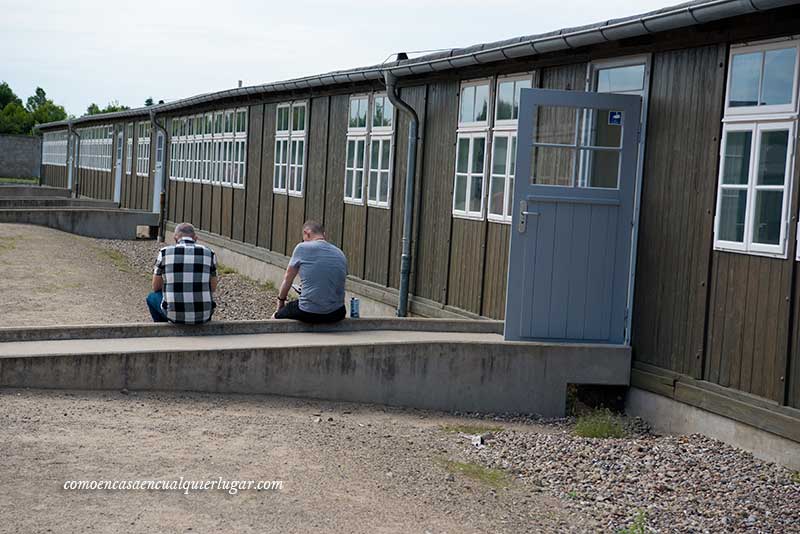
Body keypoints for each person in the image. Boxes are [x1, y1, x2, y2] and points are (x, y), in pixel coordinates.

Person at [273, 220, 347, 323]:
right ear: (324, 235)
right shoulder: (340, 253)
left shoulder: (302, 248)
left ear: (307, 233)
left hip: (309, 312)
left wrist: (280, 302)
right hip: (337, 313)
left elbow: (287, 279)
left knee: (278, 316)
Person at [146, 222, 218, 324]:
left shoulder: (164, 252)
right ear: (195, 238)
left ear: (175, 238)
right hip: (204, 314)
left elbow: (156, 287)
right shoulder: (210, 253)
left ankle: (163, 329)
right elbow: (213, 287)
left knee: (151, 297)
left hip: (173, 315)